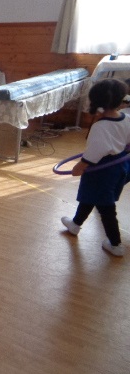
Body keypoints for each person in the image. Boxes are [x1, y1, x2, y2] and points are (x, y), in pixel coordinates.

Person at [61, 78, 130, 257]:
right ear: (120, 100)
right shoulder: (126, 119)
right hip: (119, 166)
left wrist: (79, 167)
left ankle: (115, 244)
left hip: (101, 170)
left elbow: (94, 153)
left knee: (105, 207)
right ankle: (75, 224)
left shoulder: (100, 126)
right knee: (91, 197)